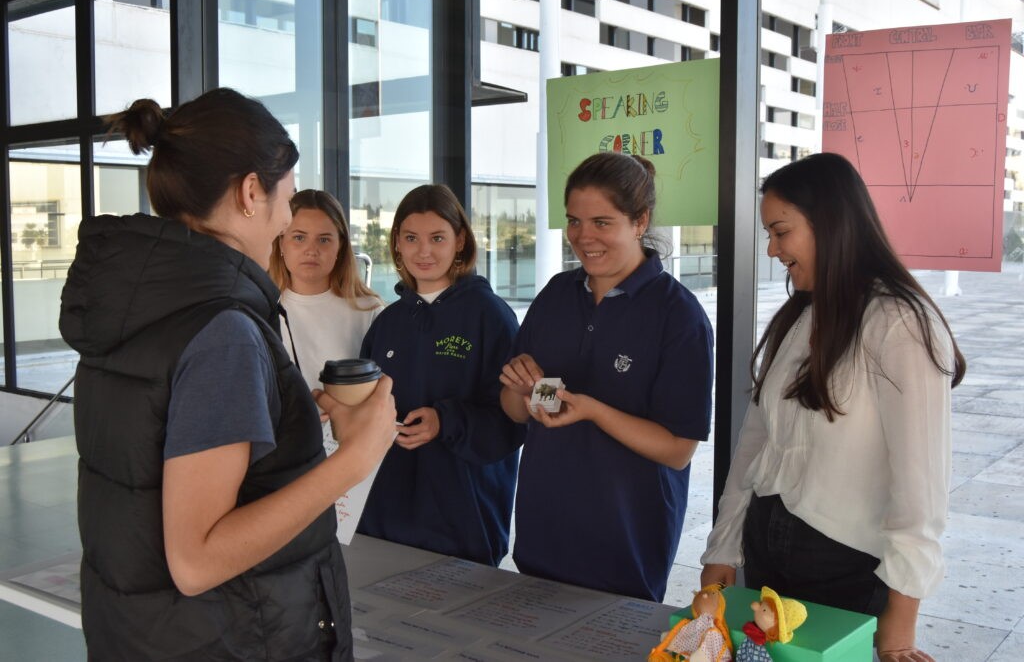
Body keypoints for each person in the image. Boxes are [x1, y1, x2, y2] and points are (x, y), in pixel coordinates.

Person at [59, 88, 397, 661]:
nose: (288, 221)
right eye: (287, 199)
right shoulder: (223, 330)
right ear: (249, 193)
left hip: (146, 634)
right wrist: (355, 458)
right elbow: (197, 560)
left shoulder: (138, 303)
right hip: (229, 638)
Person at [700, 152, 965, 662]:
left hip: (845, 569)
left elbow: (921, 490)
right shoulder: (802, 316)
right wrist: (723, 548)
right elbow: (754, 448)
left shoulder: (899, 322)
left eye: (781, 232)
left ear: (830, 224)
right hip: (766, 562)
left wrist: (900, 625)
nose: (773, 250)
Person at [500, 152, 714, 602]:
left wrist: (594, 411)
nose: (583, 237)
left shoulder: (678, 317)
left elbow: (677, 450)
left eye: (602, 222)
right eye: (574, 222)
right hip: (543, 534)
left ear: (641, 221)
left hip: (626, 544)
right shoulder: (557, 295)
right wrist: (521, 391)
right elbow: (516, 409)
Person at [357, 183, 522, 566]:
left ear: (460, 240)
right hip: (384, 518)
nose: (424, 251)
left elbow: (512, 421)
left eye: (437, 238)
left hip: (462, 521)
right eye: (411, 238)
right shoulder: (388, 322)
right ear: (396, 242)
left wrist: (445, 420)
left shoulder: (490, 317)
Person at [269, 189, 384, 391]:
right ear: (281, 242)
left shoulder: (369, 311)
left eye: (323, 240)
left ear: (340, 246)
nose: (311, 250)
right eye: (299, 237)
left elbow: (385, 390)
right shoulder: (263, 311)